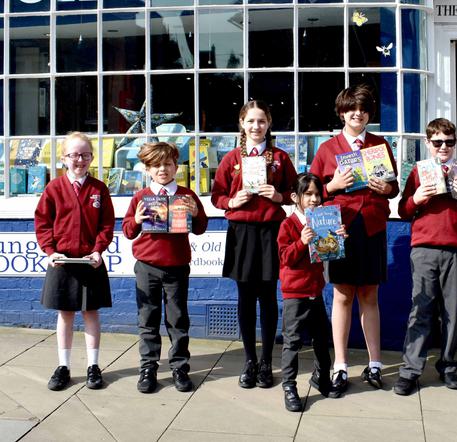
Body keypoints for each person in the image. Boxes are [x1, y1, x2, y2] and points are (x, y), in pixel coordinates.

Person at [310, 85, 399, 397]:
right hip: (338, 229)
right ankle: (341, 365)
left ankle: (375, 363)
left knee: (370, 295)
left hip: (372, 226)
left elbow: (394, 186)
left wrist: (386, 189)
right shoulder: (326, 149)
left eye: (362, 109)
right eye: (351, 109)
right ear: (341, 113)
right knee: (343, 296)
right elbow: (312, 194)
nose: (356, 113)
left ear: (369, 114)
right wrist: (332, 185)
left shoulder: (380, 145)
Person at [394, 118, 457, 396]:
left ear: (455, 143)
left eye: (449, 142)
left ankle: (447, 366)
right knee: (420, 309)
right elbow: (403, 210)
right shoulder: (417, 173)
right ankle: (410, 371)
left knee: (451, 311)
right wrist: (417, 198)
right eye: (437, 142)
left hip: (456, 250)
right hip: (424, 249)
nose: (443, 147)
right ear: (427, 144)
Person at [212, 100, 298, 389]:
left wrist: (279, 196)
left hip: (272, 231)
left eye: (261, 121)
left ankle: (267, 363)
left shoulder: (281, 159)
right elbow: (217, 196)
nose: (256, 126)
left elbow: (295, 194)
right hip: (242, 232)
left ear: (269, 122)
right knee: (245, 298)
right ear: (241, 124)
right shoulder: (231, 159)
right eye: (250, 121)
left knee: (268, 297)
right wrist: (231, 201)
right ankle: (249, 361)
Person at [122, 142, 208, 393]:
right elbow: (128, 231)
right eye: (157, 165)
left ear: (176, 167)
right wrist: (136, 220)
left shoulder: (186, 194)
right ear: (148, 169)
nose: (163, 169)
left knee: (177, 318)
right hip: (147, 266)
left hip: (177, 267)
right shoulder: (141, 197)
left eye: (168, 164)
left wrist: (195, 214)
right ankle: (148, 367)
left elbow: (201, 228)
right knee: (148, 318)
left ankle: (180, 367)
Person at [35, 131, 115, 391]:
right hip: (62, 262)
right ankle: (64, 366)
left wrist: (99, 250)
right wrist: (50, 251)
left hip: (90, 261)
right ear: (63, 158)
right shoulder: (54, 188)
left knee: (91, 313)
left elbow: (106, 224)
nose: (79, 160)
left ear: (91, 157)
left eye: (85, 154)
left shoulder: (99, 189)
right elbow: (43, 223)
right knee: (65, 314)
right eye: (73, 155)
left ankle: (93, 366)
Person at [278, 172, 347, 411]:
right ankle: (289, 386)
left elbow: (330, 252)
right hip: (295, 293)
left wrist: (338, 239)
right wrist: (301, 242)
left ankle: (322, 378)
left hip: (315, 290)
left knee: (321, 339)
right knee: (292, 341)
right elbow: (286, 258)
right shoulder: (288, 225)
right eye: (308, 194)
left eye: (317, 194)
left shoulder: (323, 220)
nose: (315, 199)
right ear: (295, 197)